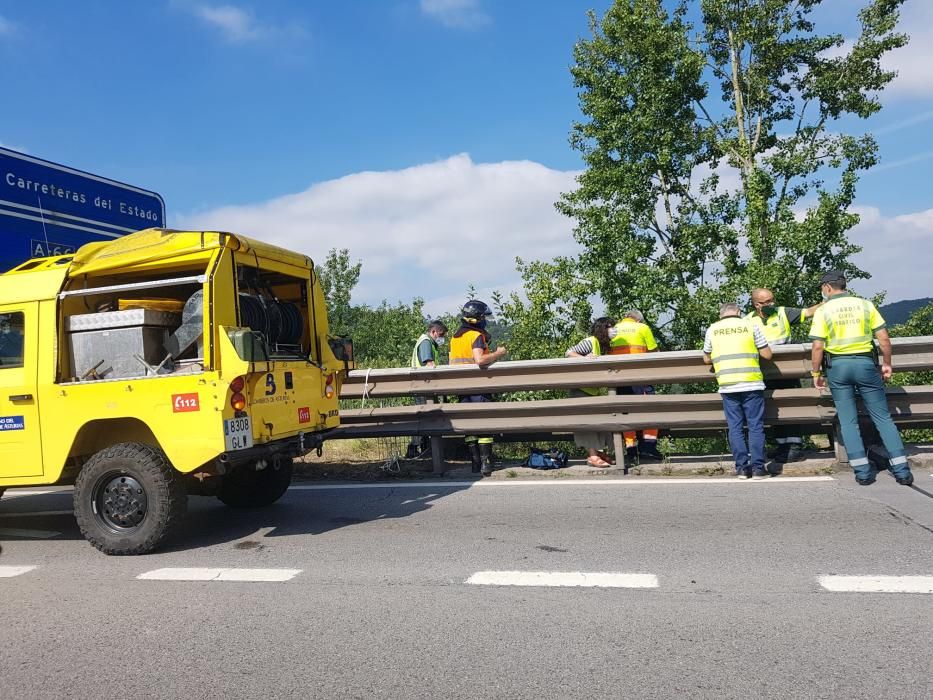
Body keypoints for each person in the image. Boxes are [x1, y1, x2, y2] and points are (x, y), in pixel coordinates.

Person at [809, 270, 913, 486]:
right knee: (882, 417)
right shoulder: (865, 305)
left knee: (848, 420)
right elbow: (884, 338)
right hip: (866, 365)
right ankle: (902, 471)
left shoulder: (824, 310)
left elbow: (818, 346)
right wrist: (886, 363)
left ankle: (862, 472)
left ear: (827, 288)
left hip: (838, 367)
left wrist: (816, 373)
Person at [746, 288, 822, 464]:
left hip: (787, 371)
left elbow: (809, 312)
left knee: (791, 406)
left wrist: (829, 301)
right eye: (767, 302)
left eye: (773, 300)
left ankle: (794, 447)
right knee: (774, 409)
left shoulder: (782, 313)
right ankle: (782, 447)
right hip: (765, 372)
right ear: (757, 305)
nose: (772, 304)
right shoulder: (748, 321)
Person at [703, 302, 774, 479]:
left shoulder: (713, 329)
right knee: (755, 426)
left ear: (721, 314)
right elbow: (767, 354)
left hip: (727, 383)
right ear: (739, 312)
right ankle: (758, 468)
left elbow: (706, 358)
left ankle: (742, 468)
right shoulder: (751, 325)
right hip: (751, 382)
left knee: (735, 427)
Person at [449, 300, 508, 476]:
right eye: (483, 316)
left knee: (469, 426)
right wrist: (498, 353)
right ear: (477, 318)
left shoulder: (455, 337)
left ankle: (475, 463)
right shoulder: (475, 336)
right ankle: (486, 464)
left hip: (461, 386)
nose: (485, 320)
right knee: (484, 424)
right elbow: (480, 360)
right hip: (477, 385)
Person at [609, 310, 662, 460]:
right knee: (650, 410)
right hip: (640, 376)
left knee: (626, 411)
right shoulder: (642, 328)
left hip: (619, 378)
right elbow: (654, 352)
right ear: (638, 320)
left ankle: (631, 449)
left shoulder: (614, 330)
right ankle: (649, 447)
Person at [565, 317, 617, 467]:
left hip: (591, 390)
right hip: (581, 389)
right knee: (587, 422)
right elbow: (568, 353)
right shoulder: (590, 341)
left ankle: (598, 453)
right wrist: (584, 358)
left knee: (599, 422)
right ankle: (592, 456)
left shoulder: (601, 345)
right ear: (602, 328)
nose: (613, 330)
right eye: (610, 326)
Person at [405, 320, 448, 459]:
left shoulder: (429, 342)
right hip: (422, 385)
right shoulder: (425, 342)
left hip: (423, 385)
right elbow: (429, 363)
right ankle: (414, 448)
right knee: (423, 418)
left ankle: (422, 448)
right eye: (441, 335)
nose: (442, 338)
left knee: (424, 417)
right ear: (433, 332)